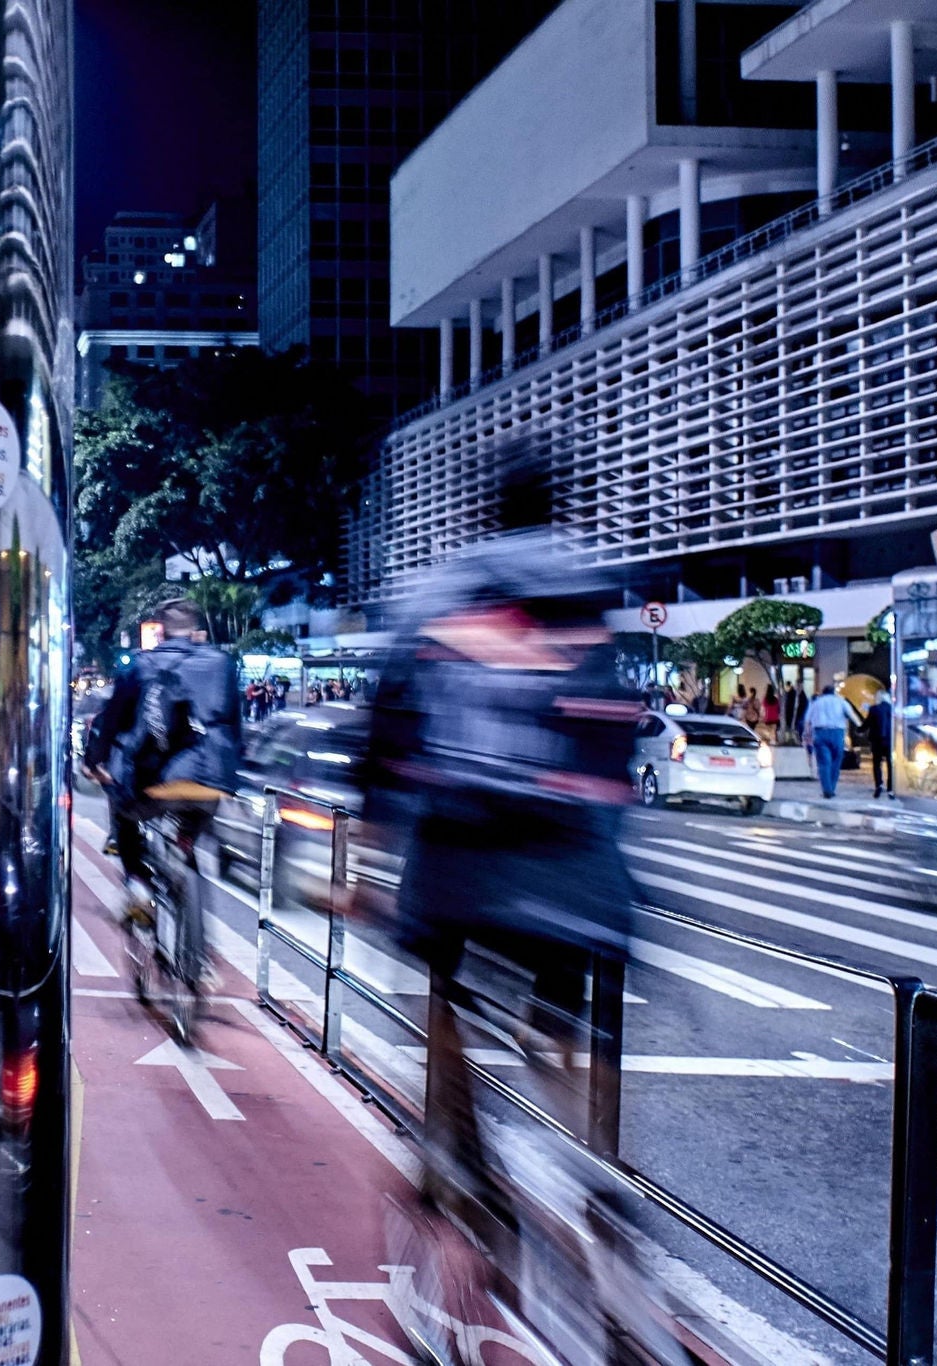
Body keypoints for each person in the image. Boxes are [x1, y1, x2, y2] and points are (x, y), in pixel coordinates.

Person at [363, 441, 650, 1339]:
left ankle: (457, 1165)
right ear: (558, 503)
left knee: (447, 1008)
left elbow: (387, 738)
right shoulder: (595, 587)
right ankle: (597, 1189)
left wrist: (372, 850)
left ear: (487, 509)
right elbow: (618, 733)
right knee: (564, 1039)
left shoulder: (439, 592)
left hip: (463, 867)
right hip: (581, 873)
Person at [83, 597, 242, 900]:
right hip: (212, 784)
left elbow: (113, 720)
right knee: (196, 816)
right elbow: (234, 726)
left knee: (123, 812)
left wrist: (95, 762)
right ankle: (185, 842)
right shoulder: (222, 664)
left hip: (153, 783)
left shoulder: (142, 665)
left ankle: (138, 882)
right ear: (196, 630)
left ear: (161, 631)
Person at [804, 682, 851, 799]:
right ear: (833, 692)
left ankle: (827, 790)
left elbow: (807, 719)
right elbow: (850, 714)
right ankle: (832, 788)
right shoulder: (840, 701)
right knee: (836, 762)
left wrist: (807, 734)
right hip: (837, 733)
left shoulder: (816, 703)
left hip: (820, 733)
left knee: (824, 763)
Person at [867, 688, 895, 798]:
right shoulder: (891, 709)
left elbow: (868, 723)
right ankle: (890, 788)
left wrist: (859, 730)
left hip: (876, 740)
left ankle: (879, 784)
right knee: (890, 764)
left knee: (876, 763)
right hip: (889, 740)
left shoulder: (873, 709)